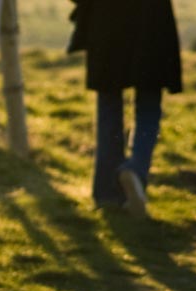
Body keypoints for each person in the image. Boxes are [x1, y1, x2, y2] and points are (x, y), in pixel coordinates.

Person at [68, 0, 183, 218]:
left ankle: (108, 195)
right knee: (149, 106)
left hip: (105, 23)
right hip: (151, 23)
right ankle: (136, 169)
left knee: (109, 107)